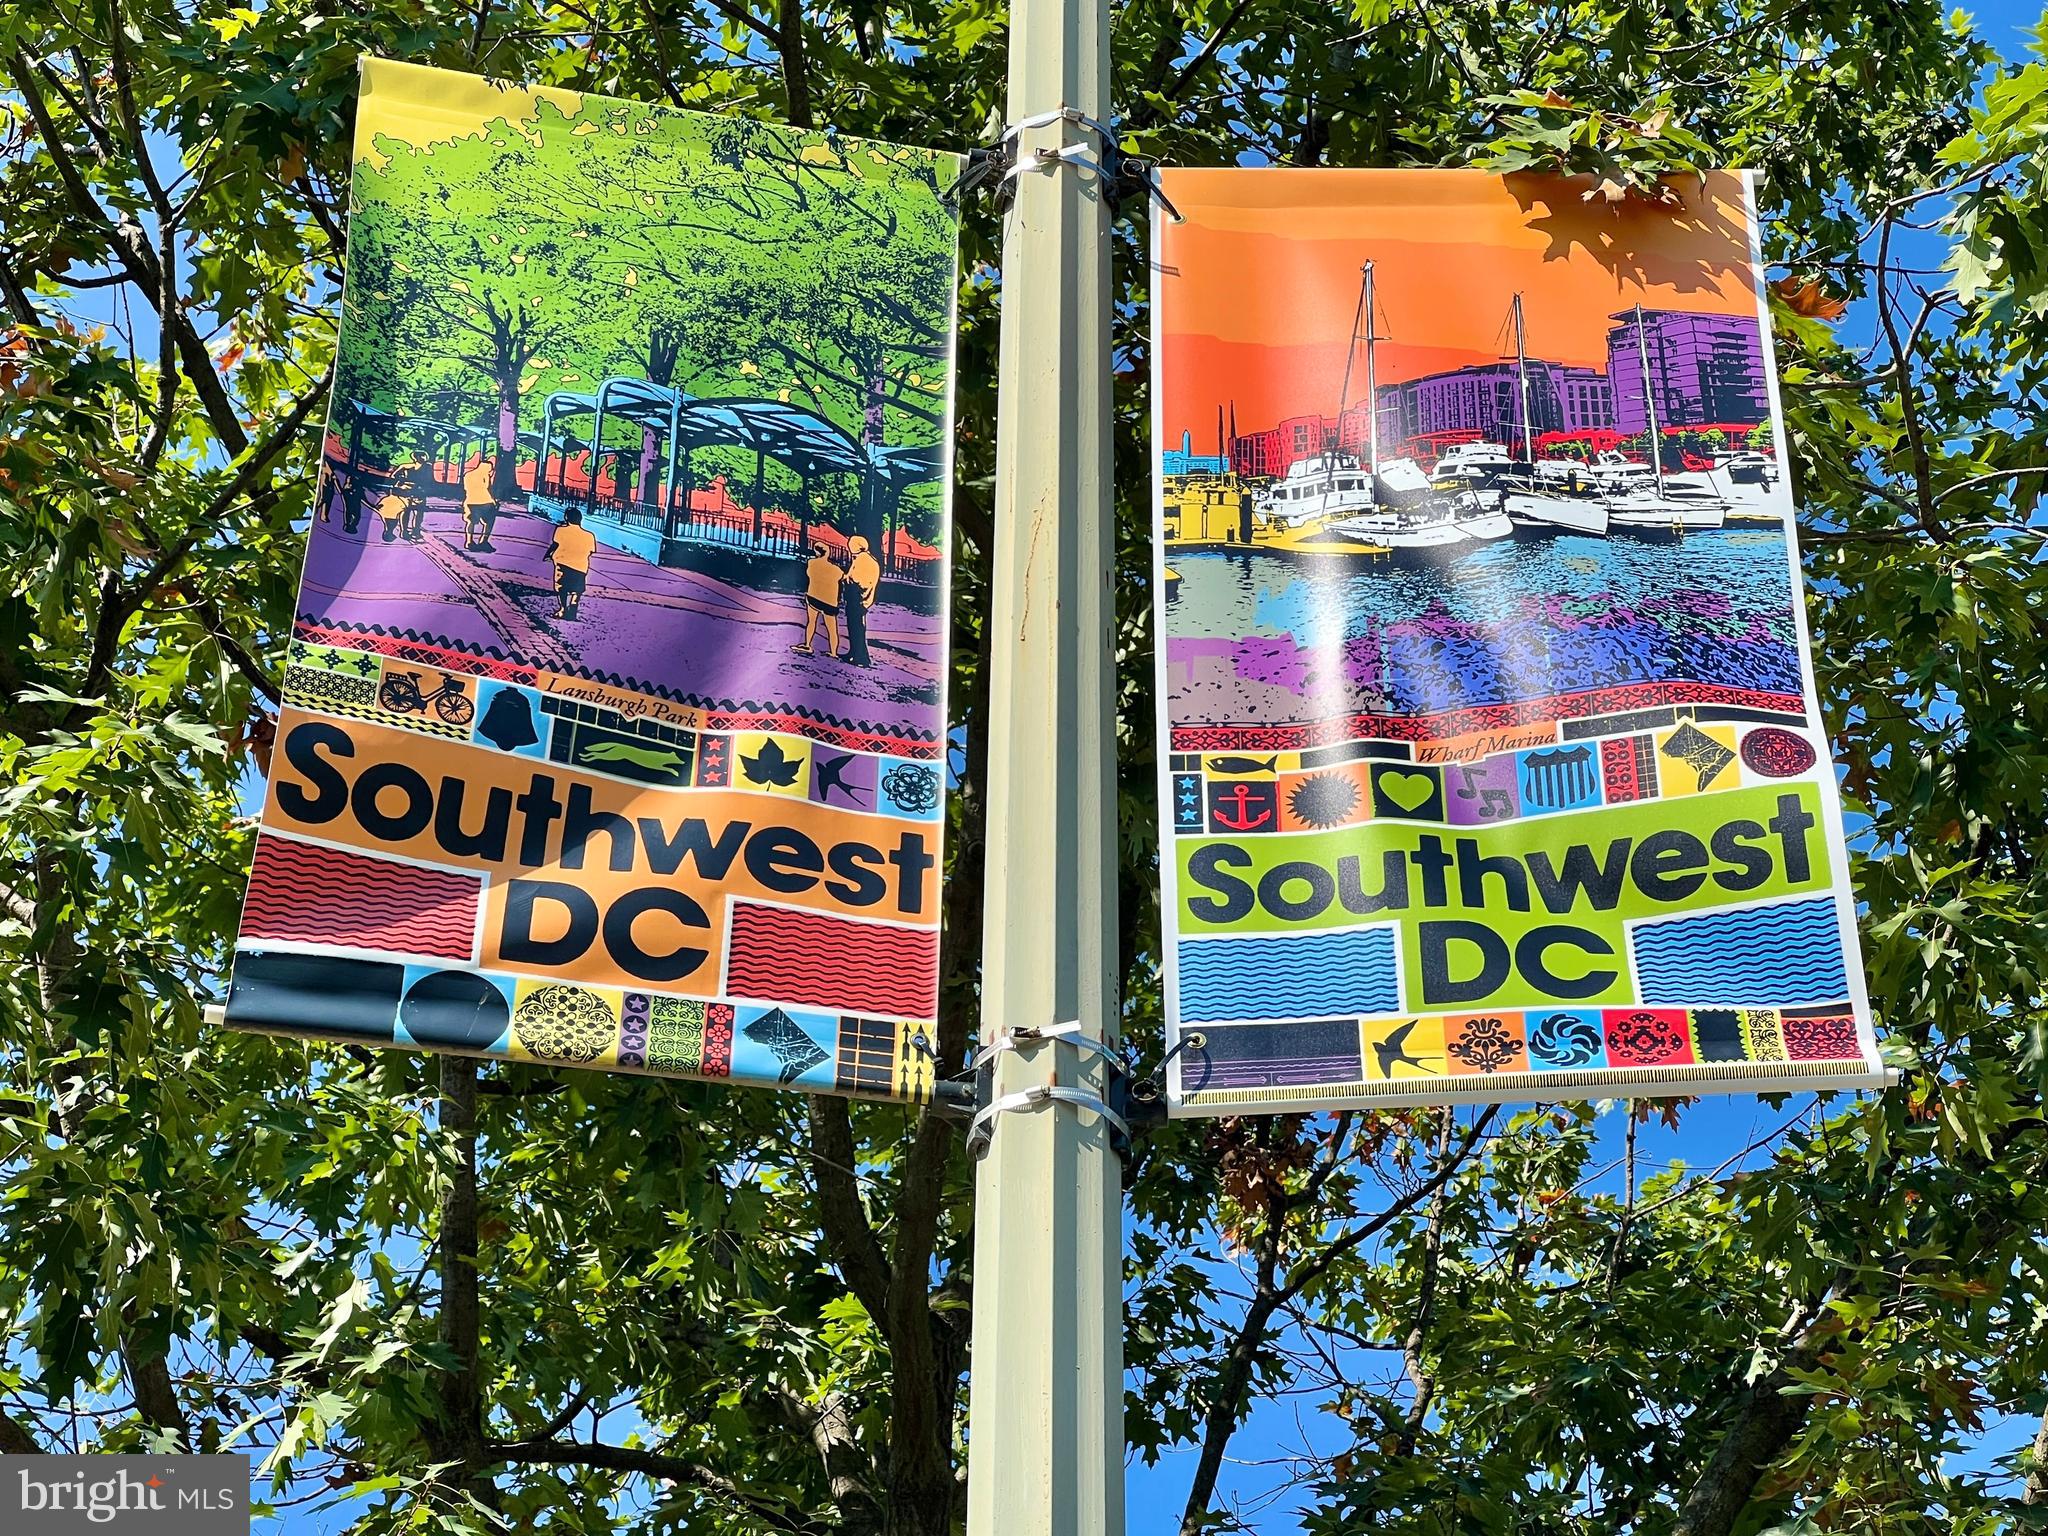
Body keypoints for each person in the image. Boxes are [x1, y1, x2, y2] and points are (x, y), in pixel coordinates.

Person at [546, 507, 598, 621]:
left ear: (566, 518)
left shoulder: (560, 530)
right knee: (577, 588)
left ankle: (563, 609)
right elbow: (591, 551)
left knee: (561, 588)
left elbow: (555, 545)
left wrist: (548, 555)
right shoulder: (589, 535)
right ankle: (573, 605)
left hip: (562, 564)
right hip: (580, 566)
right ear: (580, 519)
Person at [795, 541, 842, 657]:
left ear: (816, 552)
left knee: (811, 622)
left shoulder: (811, 563)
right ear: (828, 554)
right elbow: (843, 577)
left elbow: (809, 574)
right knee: (832, 628)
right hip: (830, 601)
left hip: (814, 597)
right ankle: (834, 652)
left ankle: (807, 644)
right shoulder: (836, 569)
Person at [842, 534, 880, 666]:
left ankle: (861, 658)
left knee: (857, 628)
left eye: (851, 544)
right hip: (858, 599)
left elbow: (860, 581)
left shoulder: (863, 560)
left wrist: (847, 579)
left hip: (857, 599)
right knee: (855, 627)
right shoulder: (866, 559)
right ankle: (854, 653)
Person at [461, 453, 498, 551]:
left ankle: (469, 541)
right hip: (485, 502)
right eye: (490, 469)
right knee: (489, 522)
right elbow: (488, 488)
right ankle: (483, 541)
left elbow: (465, 488)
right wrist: (494, 501)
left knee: (471, 522)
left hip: (470, 501)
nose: (490, 470)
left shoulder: (468, 475)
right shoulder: (485, 475)